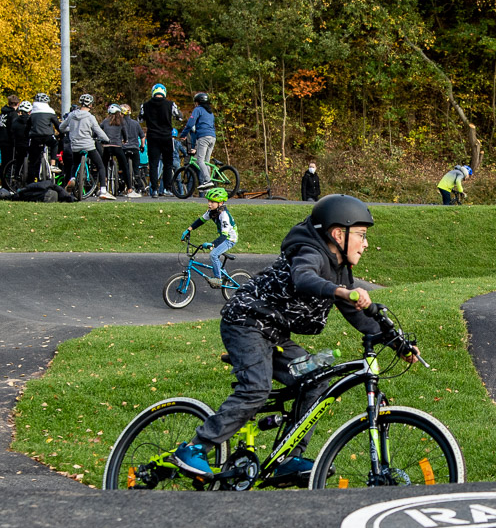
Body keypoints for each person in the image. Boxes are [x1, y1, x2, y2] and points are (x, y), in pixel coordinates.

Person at [170, 194, 398, 481]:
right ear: (339, 233)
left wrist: (396, 342)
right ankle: (194, 448)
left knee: (317, 378)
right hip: (245, 323)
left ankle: (288, 457)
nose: (366, 244)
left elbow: (358, 316)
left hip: (275, 334)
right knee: (256, 388)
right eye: (362, 236)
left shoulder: (340, 270)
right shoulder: (309, 253)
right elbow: (303, 278)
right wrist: (340, 291)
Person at [60, 94, 115, 200]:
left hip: (75, 146)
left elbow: (61, 127)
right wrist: (107, 139)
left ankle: (72, 178)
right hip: (88, 145)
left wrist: (71, 129)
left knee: (75, 164)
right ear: (90, 105)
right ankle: (103, 190)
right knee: (100, 166)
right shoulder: (90, 117)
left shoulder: (71, 115)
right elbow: (98, 130)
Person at [182, 187, 237, 287]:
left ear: (220, 203)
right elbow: (201, 220)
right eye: (209, 201)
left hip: (230, 239)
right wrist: (189, 229)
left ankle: (218, 279)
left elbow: (225, 236)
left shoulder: (224, 215)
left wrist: (213, 244)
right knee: (214, 255)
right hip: (224, 237)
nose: (209, 204)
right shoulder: (212, 212)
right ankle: (224, 275)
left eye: (212, 202)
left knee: (213, 255)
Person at [141, 84, 181, 196]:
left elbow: (140, 118)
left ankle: (154, 189)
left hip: (152, 136)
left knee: (153, 164)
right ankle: (167, 188)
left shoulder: (145, 105)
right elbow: (179, 116)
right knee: (168, 163)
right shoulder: (170, 104)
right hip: (166, 136)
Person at [101, 105, 141, 198]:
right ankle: (130, 189)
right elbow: (125, 134)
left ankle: (104, 182)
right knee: (124, 167)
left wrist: (100, 138)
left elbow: (99, 130)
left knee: (103, 165)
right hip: (117, 146)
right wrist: (125, 140)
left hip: (107, 146)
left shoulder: (105, 121)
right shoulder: (121, 122)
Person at [26, 93, 61, 183]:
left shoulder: (33, 113)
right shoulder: (50, 111)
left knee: (33, 161)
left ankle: (30, 182)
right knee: (54, 144)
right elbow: (58, 125)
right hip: (47, 136)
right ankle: (53, 164)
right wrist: (62, 133)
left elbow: (28, 126)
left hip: (35, 137)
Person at [185, 92, 216, 190]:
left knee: (200, 160)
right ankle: (208, 185)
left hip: (203, 137)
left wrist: (183, 134)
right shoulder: (210, 112)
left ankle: (207, 180)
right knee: (206, 162)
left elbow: (190, 123)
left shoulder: (198, 109)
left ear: (197, 102)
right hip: (213, 137)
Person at [0, 92, 21, 185]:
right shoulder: (13, 114)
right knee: (10, 163)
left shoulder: (2, 114)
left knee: (4, 163)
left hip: (2, 140)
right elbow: (13, 128)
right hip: (10, 142)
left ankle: (3, 183)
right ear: (17, 104)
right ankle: (9, 184)